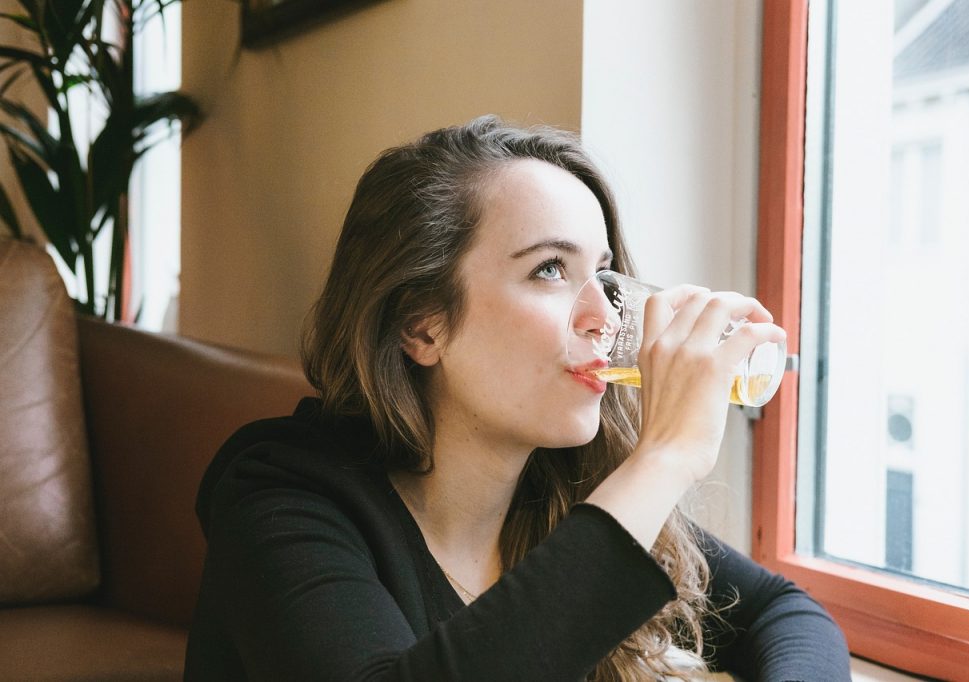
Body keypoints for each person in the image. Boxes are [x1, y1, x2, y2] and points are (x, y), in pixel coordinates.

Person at [184, 115, 850, 681]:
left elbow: (784, 612)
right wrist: (665, 457)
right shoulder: (277, 499)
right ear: (421, 325)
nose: (605, 317)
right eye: (550, 270)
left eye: (605, 275)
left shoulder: (560, 486)